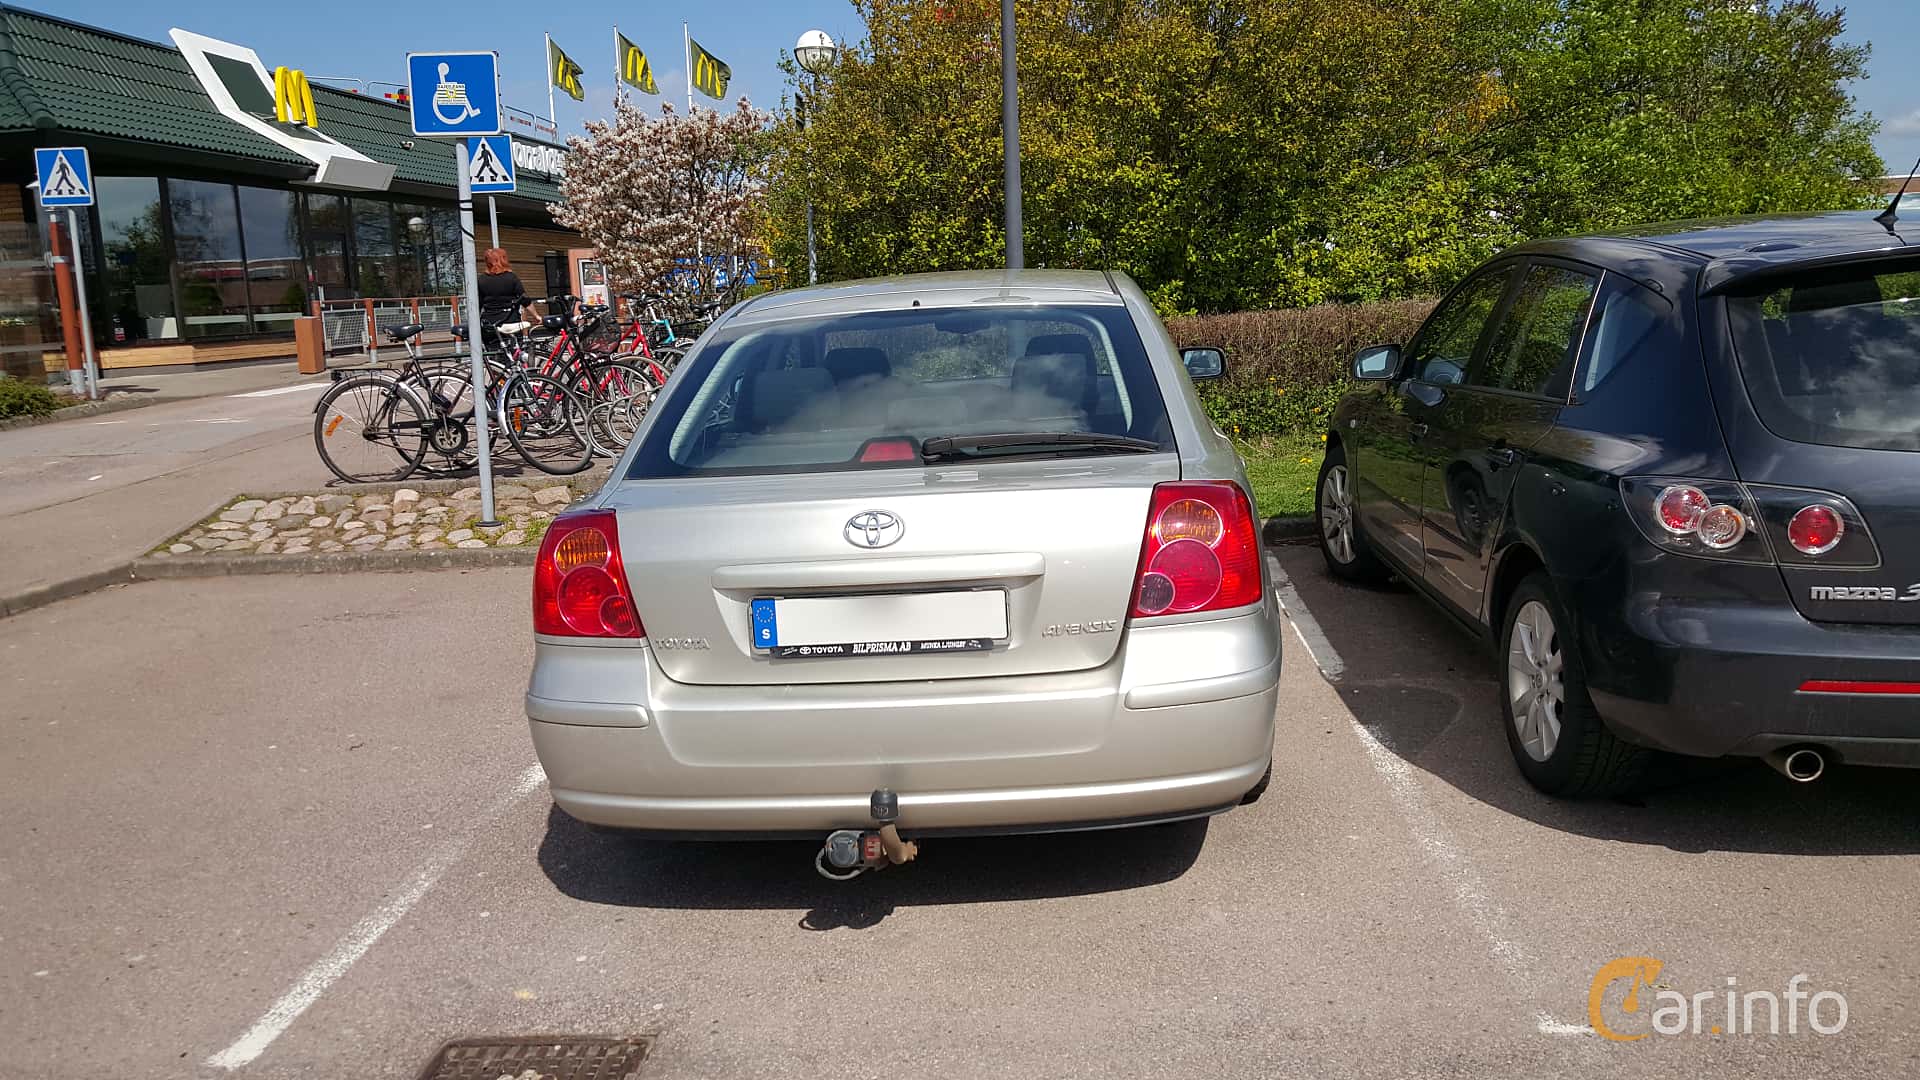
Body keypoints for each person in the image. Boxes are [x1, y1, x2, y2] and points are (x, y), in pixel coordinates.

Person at [476, 248, 533, 327]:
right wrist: (536, 316)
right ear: (503, 260)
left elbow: (478, 304)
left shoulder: (481, 279)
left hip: (489, 320)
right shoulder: (511, 277)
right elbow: (525, 299)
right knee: (513, 337)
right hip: (509, 319)